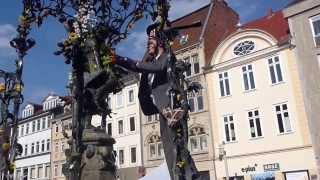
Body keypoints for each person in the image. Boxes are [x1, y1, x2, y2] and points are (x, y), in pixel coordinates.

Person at [115, 27, 201, 180]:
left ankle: (190, 176)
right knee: (170, 152)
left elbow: (153, 67)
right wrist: (144, 64)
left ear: (160, 41)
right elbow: (145, 96)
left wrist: (121, 60)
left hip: (172, 111)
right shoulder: (153, 65)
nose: (148, 44)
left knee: (177, 149)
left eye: (151, 41)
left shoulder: (167, 57)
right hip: (164, 112)